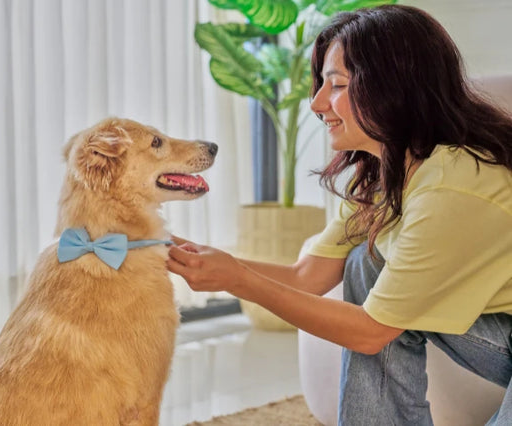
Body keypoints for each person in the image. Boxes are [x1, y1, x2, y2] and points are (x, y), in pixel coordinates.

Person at [167, 4, 512, 425]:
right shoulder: (386, 175)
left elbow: (371, 331)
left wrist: (238, 280)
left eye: (337, 85)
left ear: (393, 87)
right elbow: (306, 277)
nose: (317, 103)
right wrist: (196, 258)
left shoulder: (452, 186)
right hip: (500, 331)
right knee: (365, 261)